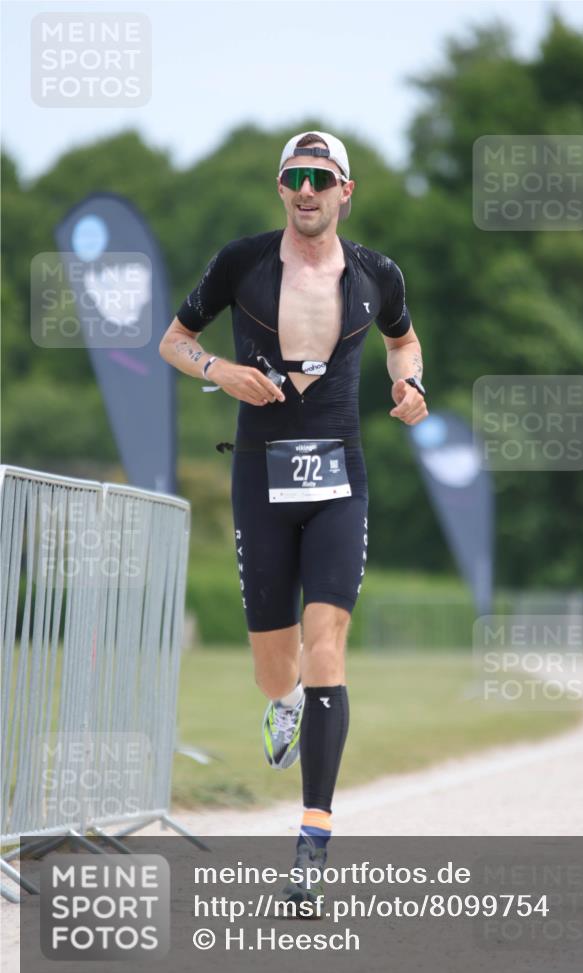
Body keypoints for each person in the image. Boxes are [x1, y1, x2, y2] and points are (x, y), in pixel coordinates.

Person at [159, 129, 428, 910]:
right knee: (277, 668)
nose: (307, 190)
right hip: (260, 477)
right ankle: (281, 704)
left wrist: (412, 388)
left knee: (328, 645)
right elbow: (175, 341)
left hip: (340, 479)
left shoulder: (378, 274)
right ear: (281, 188)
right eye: (294, 177)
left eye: (322, 177)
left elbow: (403, 343)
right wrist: (221, 371)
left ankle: (313, 836)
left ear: (347, 190)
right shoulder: (241, 263)